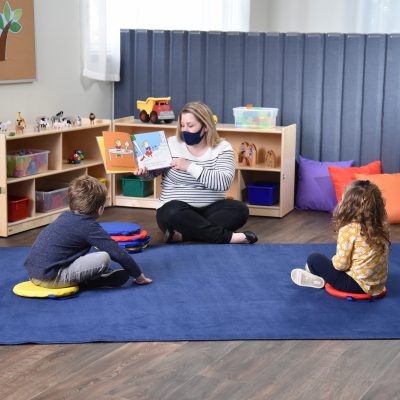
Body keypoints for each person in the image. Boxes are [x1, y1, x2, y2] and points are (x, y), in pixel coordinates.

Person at [136, 101, 257, 244]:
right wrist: (144, 173)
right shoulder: (171, 144)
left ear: (205, 126)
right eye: (182, 125)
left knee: (240, 210)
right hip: (176, 210)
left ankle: (186, 235)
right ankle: (227, 237)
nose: (184, 130)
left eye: (190, 125)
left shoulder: (223, 148)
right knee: (171, 211)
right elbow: (153, 173)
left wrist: (189, 167)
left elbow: (223, 183)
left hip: (211, 210)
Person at [24, 175, 152, 289]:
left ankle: (90, 278)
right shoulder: (88, 226)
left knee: (86, 253)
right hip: (50, 278)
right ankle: (89, 281)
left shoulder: (64, 216)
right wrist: (139, 276)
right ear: (100, 209)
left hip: (33, 273)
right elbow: (117, 253)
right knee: (103, 258)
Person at [291, 180, 390, 296]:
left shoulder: (349, 229)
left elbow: (341, 265)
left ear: (348, 206)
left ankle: (317, 277)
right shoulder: (380, 226)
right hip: (378, 284)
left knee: (314, 259)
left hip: (354, 286)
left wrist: (333, 261)